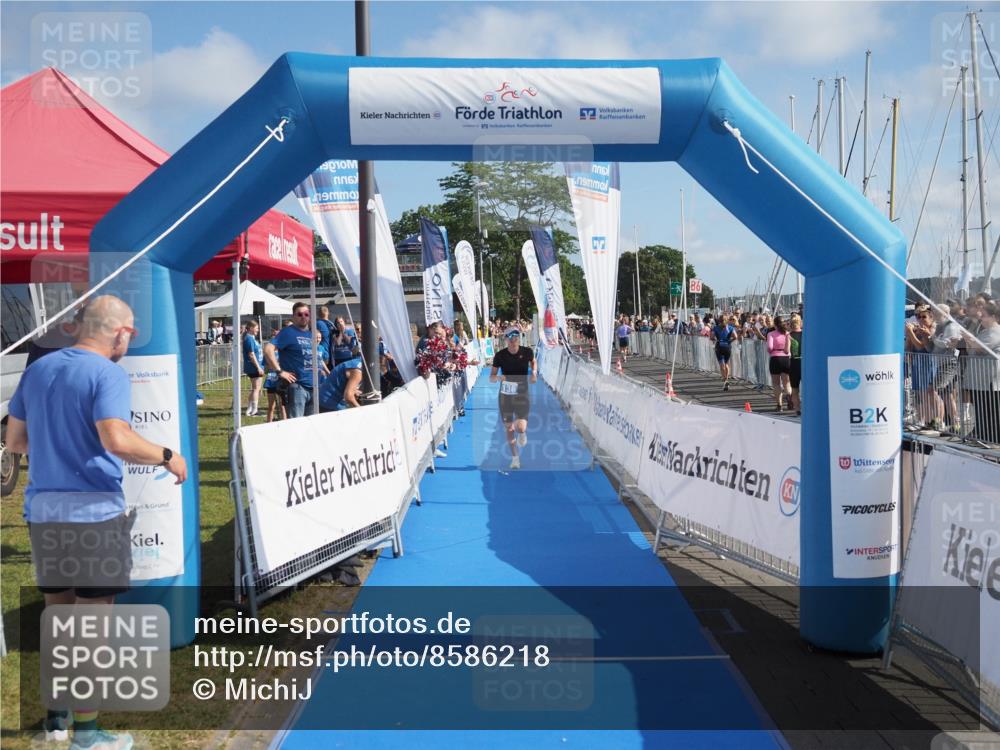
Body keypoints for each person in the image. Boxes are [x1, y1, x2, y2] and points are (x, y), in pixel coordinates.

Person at [5, 295, 188, 750]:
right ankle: (87, 735)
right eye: (131, 332)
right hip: (92, 516)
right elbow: (116, 438)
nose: (130, 340)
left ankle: (56, 721)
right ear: (118, 332)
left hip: (44, 513)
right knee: (90, 628)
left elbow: (16, 442)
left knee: (60, 620)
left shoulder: (38, 370)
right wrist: (169, 457)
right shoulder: (107, 372)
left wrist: (58, 443)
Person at [489, 326, 536, 470]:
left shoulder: (527, 351)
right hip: (505, 396)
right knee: (509, 428)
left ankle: (522, 433)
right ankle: (515, 458)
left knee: (521, 427)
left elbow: (533, 362)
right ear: (506, 338)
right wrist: (498, 377)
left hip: (522, 394)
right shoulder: (500, 355)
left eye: (517, 335)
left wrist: (534, 372)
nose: (514, 338)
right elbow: (491, 378)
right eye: (511, 335)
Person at [265, 302, 317, 418]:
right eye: (299, 314)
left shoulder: (310, 334)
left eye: (306, 314)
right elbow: (268, 349)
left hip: (314, 386)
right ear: (293, 316)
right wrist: (279, 371)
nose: (303, 316)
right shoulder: (288, 332)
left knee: (311, 426)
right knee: (296, 426)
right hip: (297, 387)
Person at [962, 302, 1000, 444]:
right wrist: (970, 341)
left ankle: (990, 437)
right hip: (980, 379)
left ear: (993, 317)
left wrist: (969, 339)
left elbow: (980, 348)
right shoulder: (984, 332)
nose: (980, 319)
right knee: (981, 408)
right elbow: (972, 350)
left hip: (990, 379)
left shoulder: (996, 331)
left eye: (983, 316)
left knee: (990, 410)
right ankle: (982, 434)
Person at [766, 315, 792, 412]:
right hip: (786, 359)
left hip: (775, 358)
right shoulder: (788, 334)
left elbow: (769, 347)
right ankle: (789, 396)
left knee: (776, 384)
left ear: (775, 324)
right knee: (787, 383)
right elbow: (789, 348)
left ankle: (779, 405)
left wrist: (771, 352)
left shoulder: (771, 334)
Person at [243, 320, 265, 417]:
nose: (258, 330)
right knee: (256, 388)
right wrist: (258, 367)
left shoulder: (252, 338)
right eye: (257, 328)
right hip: (253, 367)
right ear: (251, 328)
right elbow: (251, 354)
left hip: (257, 366)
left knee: (255, 389)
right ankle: (255, 410)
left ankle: (250, 409)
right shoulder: (249, 339)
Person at [711, 315, 739, 391]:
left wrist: (715, 339)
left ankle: (724, 379)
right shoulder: (730, 328)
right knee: (726, 364)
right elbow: (736, 337)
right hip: (727, 347)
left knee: (721, 364)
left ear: (719, 321)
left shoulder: (716, 328)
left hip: (719, 346)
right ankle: (726, 379)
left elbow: (711, 337)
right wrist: (729, 341)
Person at [788, 313, 803, 416]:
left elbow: (786, 350)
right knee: (807, 388)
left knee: (794, 389)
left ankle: (797, 409)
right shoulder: (805, 334)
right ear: (800, 323)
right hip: (804, 363)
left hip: (793, 363)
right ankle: (808, 408)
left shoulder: (788, 336)